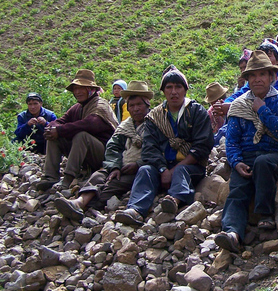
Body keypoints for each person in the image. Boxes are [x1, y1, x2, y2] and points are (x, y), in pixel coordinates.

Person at [215, 50, 278, 253]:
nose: (258, 79)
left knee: (263, 163)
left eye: (263, 74)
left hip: (277, 155)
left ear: (272, 77)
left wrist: (262, 110)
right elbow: (232, 140)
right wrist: (236, 162)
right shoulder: (238, 105)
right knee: (238, 188)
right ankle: (232, 232)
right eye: (253, 75)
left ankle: (266, 215)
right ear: (247, 80)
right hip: (247, 156)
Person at [115, 66, 213, 226]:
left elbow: (203, 145)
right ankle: (135, 209)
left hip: (190, 166)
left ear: (185, 90)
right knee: (145, 170)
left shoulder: (197, 112)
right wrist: (162, 170)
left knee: (181, 171)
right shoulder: (155, 116)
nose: (174, 92)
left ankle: (174, 199)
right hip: (163, 167)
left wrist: (173, 170)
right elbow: (149, 148)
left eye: (178, 87)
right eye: (169, 87)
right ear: (163, 91)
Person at [53, 81, 153, 221]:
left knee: (113, 185)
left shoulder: (154, 124)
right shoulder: (125, 126)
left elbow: (157, 149)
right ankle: (79, 202)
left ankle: (88, 205)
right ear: (127, 109)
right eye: (132, 106)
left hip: (140, 168)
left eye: (139, 105)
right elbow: (113, 147)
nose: (136, 109)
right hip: (122, 165)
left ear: (147, 105)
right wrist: (115, 166)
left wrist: (138, 164)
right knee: (98, 175)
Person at [36, 69, 118, 192]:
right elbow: (61, 121)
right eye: (75, 89)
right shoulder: (77, 107)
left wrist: (60, 129)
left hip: (104, 154)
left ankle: (68, 178)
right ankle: (50, 176)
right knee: (54, 135)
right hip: (85, 154)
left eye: (82, 88)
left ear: (91, 89)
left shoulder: (100, 105)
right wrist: (52, 128)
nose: (78, 92)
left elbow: (91, 124)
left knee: (81, 135)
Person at [225, 39, 278, 105]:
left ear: (277, 60)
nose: (264, 60)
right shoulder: (256, 78)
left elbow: (269, 101)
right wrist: (226, 103)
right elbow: (241, 93)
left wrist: (233, 106)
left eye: (268, 56)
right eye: (261, 57)